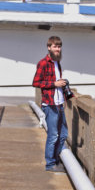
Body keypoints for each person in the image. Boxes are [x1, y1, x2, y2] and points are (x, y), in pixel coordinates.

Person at [32, 36, 71, 173]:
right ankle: (50, 164)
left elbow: (57, 82)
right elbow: (36, 82)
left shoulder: (57, 63)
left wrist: (63, 86)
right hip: (50, 104)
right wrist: (54, 84)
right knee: (53, 135)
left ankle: (56, 159)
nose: (58, 49)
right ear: (49, 47)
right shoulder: (43, 63)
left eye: (59, 46)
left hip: (59, 103)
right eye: (55, 46)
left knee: (63, 134)